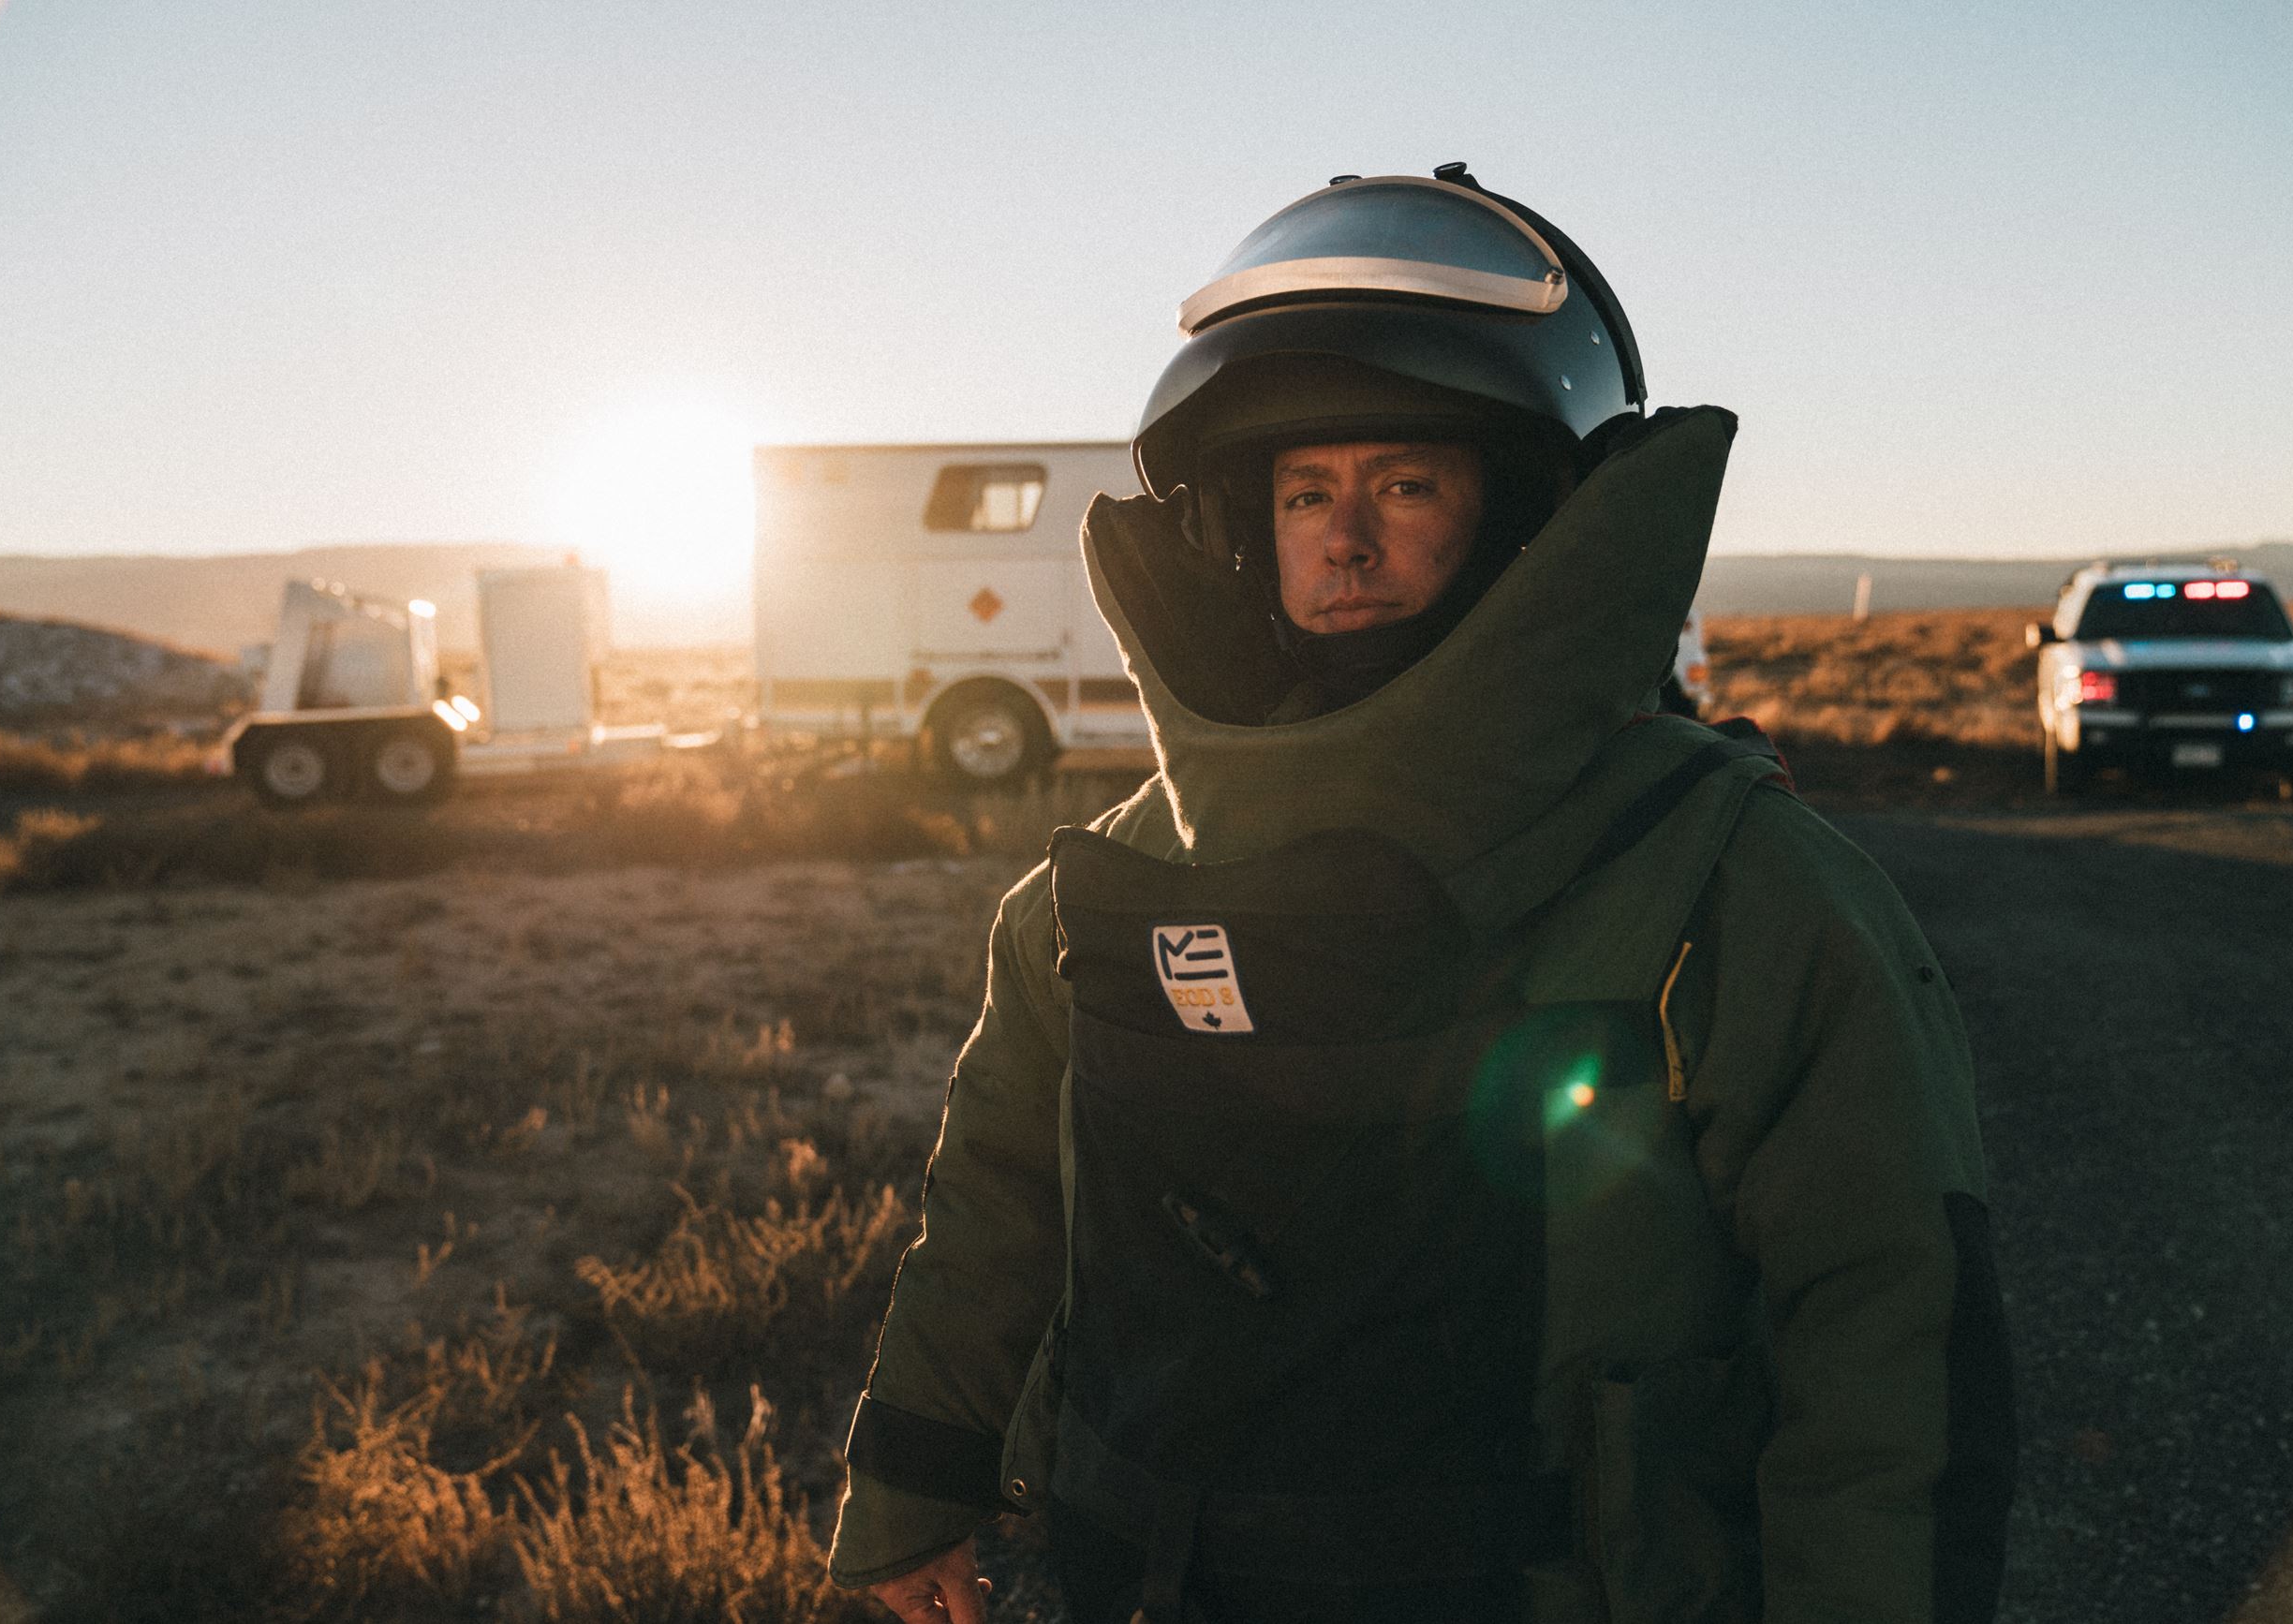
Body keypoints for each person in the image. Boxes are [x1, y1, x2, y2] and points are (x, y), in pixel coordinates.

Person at [830, 166, 2017, 1624]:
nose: (1345, 537)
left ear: (1523, 513)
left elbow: (1884, 1326)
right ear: (1239, 527)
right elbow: (1001, 1196)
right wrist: (913, 1488)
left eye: (1405, 482)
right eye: (1306, 489)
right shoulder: (1119, 888)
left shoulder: (1727, 880)